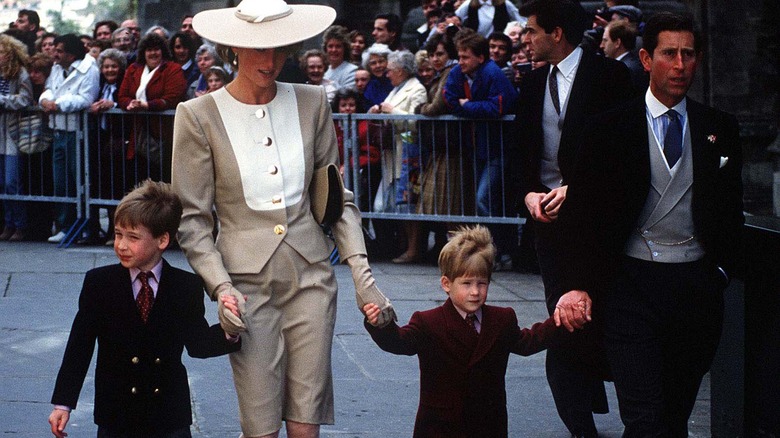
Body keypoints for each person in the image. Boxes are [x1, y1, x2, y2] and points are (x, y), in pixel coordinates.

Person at [171, 1, 397, 436]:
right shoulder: (197, 115)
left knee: (305, 421)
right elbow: (193, 221)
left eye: (279, 48)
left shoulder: (312, 102)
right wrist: (220, 288)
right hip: (245, 285)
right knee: (261, 425)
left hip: (311, 276)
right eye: (258, 49)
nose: (270, 61)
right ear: (233, 48)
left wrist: (362, 274)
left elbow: (336, 199)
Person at [558, 12, 744, 436]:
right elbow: (582, 215)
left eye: (689, 54)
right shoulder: (608, 128)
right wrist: (578, 283)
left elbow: (729, 210)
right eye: (669, 54)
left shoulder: (719, 129)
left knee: (675, 417)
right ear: (645, 58)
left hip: (696, 286)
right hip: (631, 285)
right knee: (643, 417)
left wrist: (720, 272)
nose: (680, 65)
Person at [512, 0, 633, 435]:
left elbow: (624, 154)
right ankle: (579, 421)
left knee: (601, 315)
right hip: (550, 227)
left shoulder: (611, 78)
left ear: (556, 32)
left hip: (601, 224)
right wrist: (528, 194)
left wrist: (578, 190)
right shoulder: (530, 84)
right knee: (560, 318)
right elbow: (520, 155)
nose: (526, 38)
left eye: (531, 30)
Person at [48, 180, 241, 438]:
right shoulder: (99, 283)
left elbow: (198, 345)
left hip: (169, 416)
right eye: (117, 234)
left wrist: (230, 329)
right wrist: (63, 403)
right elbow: (79, 347)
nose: (121, 245)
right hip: (116, 414)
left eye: (133, 237)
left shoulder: (185, 286)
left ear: (162, 240)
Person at [363, 225, 574, 437]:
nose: (475, 292)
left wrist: (563, 320)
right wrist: (380, 324)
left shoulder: (502, 319)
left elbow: (527, 342)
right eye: (466, 283)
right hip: (440, 427)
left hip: (488, 425)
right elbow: (399, 342)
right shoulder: (428, 322)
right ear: (446, 283)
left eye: (482, 283)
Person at [443, 29, 518, 270]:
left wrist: (469, 106)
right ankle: (496, 251)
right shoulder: (458, 72)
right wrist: (472, 107)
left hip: (498, 147)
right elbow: (450, 99)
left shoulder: (493, 73)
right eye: (460, 56)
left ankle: (497, 250)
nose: (460, 62)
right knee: (487, 200)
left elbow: (499, 106)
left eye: (465, 57)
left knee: (485, 198)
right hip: (477, 146)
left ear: (480, 58)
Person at [39, 33, 100, 244]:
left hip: (77, 131)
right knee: (61, 181)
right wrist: (46, 100)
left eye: (60, 50)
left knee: (81, 181)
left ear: (71, 53)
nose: (55, 54)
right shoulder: (57, 68)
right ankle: (65, 226)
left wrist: (59, 104)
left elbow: (86, 98)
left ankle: (87, 227)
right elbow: (48, 88)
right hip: (58, 129)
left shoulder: (89, 68)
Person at [367, 50, 427, 260]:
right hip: (392, 154)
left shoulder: (416, 89)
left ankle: (413, 248)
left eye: (390, 70)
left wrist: (391, 111)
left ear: (400, 71)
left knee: (409, 203)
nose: (387, 74)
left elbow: (416, 121)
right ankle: (402, 245)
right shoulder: (395, 89)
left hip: (408, 152)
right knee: (389, 205)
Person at [118, 32, 187, 183]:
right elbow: (122, 95)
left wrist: (148, 105)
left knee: (162, 178)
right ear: (143, 52)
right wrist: (129, 104)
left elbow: (173, 97)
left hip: (164, 133)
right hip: (138, 133)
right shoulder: (133, 69)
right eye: (149, 50)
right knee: (138, 178)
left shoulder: (173, 69)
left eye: (156, 49)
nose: (153, 53)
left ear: (163, 51)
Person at [88, 48, 128, 246]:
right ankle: (105, 230)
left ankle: (117, 232)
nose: (110, 70)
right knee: (104, 187)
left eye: (113, 66)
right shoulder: (101, 84)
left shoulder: (123, 84)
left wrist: (113, 104)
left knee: (119, 187)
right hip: (102, 139)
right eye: (106, 66)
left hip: (119, 139)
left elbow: (126, 101)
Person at [0, 34, 34, 242]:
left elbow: (25, 99)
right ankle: (8, 222)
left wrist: (3, 100)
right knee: (2, 183)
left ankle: (20, 224)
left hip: (12, 131)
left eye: (2, 52)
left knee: (12, 181)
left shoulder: (20, 73)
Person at [600, 21, 648, 94]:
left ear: (617, 43)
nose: (601, 45)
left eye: (605, 40)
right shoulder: (631, 64)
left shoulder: (625, 69)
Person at [456, 0, 523, 38]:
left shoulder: (504, 3)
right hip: (476, 45)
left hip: (499, 43)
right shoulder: (469, 3)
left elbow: (521, 19)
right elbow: (455, 18)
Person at [322, 25, 357, 91]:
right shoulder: (323, 71)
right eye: (330, 46)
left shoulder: (352, 71)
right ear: (325, 48)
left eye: (338, 46)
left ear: (345, 49)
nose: (334, 50)